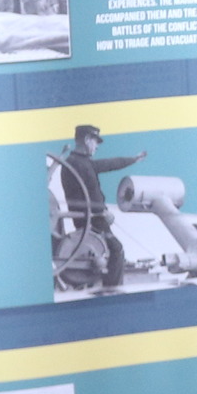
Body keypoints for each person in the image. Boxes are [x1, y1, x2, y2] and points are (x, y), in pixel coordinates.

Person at [50, 124, 144, 292]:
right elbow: (81, 199)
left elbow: (109, 164)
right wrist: (102, 212)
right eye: (96, 141)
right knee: (116, 250)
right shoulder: (76, 164)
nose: (97, 146)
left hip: (94, 219)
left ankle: (105, 286)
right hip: (92, 221)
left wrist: (133, 159)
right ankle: (112, 291)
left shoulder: (81, 162)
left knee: (113, 250)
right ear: (87, 140)